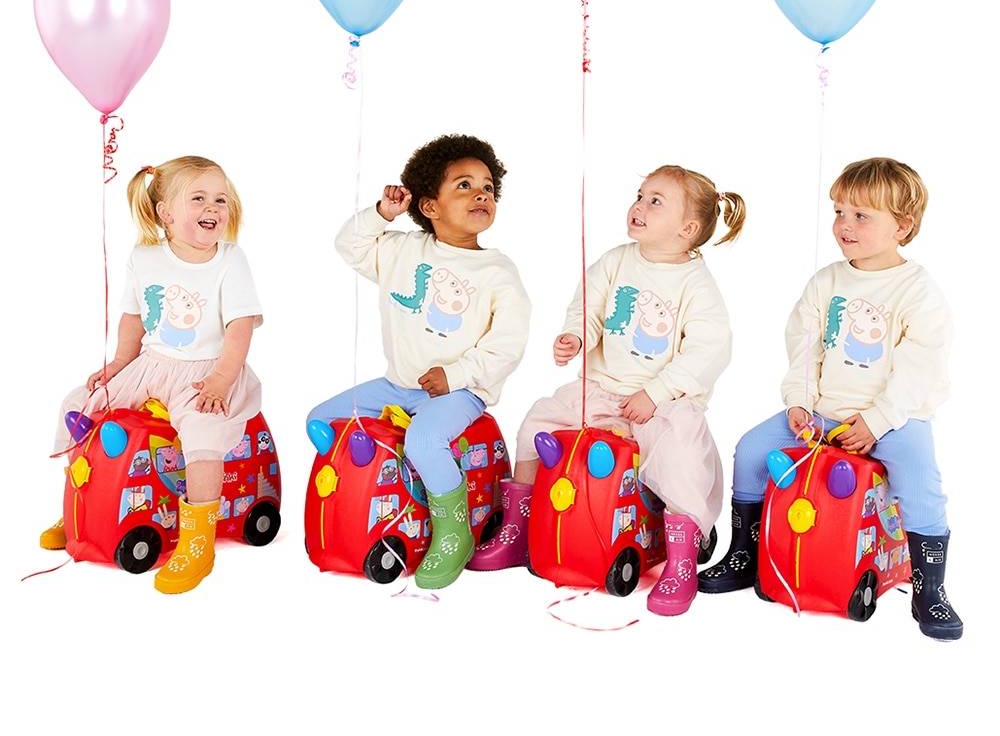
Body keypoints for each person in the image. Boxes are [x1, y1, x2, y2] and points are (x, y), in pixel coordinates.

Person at [698, 157, 963, 641]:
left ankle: (930, 589)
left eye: (862, 215)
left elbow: (921, 365)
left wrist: (879, 420)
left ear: (902, 226)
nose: (845, 224)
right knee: (752, 450)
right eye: (840, 212)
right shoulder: (826, 282)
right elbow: (804, 346)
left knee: (920, 479)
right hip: (822, 414)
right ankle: (745, 553)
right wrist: (799, 401)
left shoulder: (917, 290)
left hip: (895, 418)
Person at [469, 164, 745, 618]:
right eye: (640, 195)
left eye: (656, 201)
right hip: (601, 389)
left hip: (664, 404)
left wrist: (656, 392)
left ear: (687, 229)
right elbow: (589, 308)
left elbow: (707, 350)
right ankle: (519, 526)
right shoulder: (616, 261)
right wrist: (576, 336)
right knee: (538, 420)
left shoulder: (696, 284)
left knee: (680, 456)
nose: (639, 206)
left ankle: (681, 558)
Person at [306, 134, 530, 589]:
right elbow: (349, 245)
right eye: (464, 185)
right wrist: (381, 214)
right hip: (398, 384)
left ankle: (454, 532)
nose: (481, 194)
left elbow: (507, 344)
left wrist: (456, 375)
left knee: (425, 441)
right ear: (429, 206)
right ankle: (362, 501)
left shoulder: (497, 272)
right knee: (322, 419)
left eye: (488, 187)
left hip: (461, 392)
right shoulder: (402, 250)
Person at [39, 155, 263, 595]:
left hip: (208, 371)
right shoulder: (144, 258)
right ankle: (83, 506)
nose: (213, 207)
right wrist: (119, 364)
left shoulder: (230, 260)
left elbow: (240, 327)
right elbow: (133, 317)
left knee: (202, 431)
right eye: (198, 198)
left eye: (220, 199)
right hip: (151, 365)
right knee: (78, 403)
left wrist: (222, 379)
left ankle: (198, 539)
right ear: (166, 213)